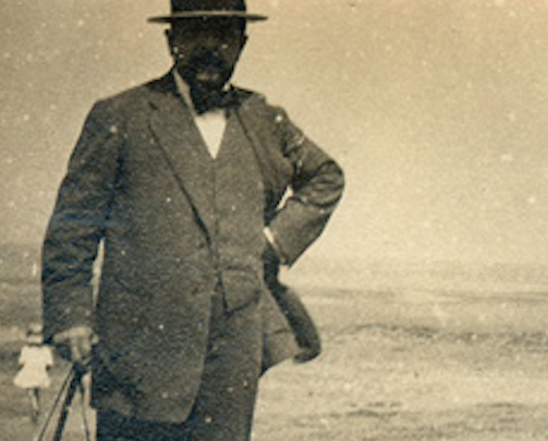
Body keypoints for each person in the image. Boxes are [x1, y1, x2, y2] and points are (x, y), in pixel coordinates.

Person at [40, 1, 345, 440]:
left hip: (232, 358)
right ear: (171, 40)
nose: (210, 47)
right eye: (195, 33)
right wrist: (71, 316)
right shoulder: (120, 116)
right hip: (139, 353)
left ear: (241, 43)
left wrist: (273, 241)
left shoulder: (263, 118)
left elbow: (326, 176)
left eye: (223, 35)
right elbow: (73, 227)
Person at [14, 323, 54, 423]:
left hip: (29, 371)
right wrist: (44, 370)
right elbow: (49, 364)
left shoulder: (26, 349)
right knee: (37, 391)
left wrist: (19, 368)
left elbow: (21, 362)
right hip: (40, 371)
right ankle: (37, 407)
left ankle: (34, 407)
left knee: (30, 391)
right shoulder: (45, 349)